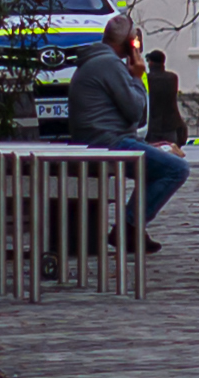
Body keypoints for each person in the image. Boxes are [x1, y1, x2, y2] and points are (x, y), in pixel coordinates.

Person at [63, 13, 190, 222]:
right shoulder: (109, 65)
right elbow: (136, 112)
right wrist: (137, 77)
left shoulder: (97, 61)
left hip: (102, 139)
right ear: (131, 43)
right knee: (177, 169)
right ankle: (129, 226)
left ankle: (133, 228)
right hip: (107, 144)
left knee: (163, 159)